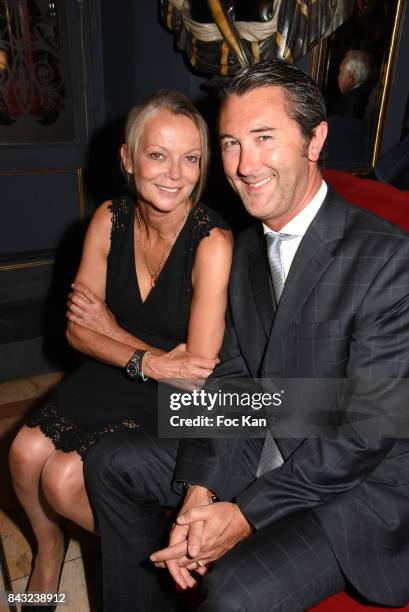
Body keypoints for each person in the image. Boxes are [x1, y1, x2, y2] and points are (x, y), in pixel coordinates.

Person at [85, 59, 409, 612]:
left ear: (315, 139)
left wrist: (243, 513)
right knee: (109, 462)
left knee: (232, 593)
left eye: (264, 138)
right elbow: (234, 383)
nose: (243, 164)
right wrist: (199, 491)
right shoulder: (242, 250)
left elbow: (366, 431)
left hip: (355, 485)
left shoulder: (387, 260)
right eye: (231, 143)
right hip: (265, 431)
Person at [8, 90, 233, 604]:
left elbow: (192, 376)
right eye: (158, 155)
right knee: (23, 455)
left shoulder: (212, 243)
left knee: (64, 479)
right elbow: (76, 330)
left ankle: (150, 559)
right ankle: (48, 550)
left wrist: (114, 333)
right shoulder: (110, 217)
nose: (175, 174)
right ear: (129, 159)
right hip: (124, 369)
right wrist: (146, 357)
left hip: (172, 398)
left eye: (191, 158)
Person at [329, 49, 373, 119]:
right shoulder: (367, 92)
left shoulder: (349, 102)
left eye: (341, 72)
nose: (338, 77)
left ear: (350, 76)